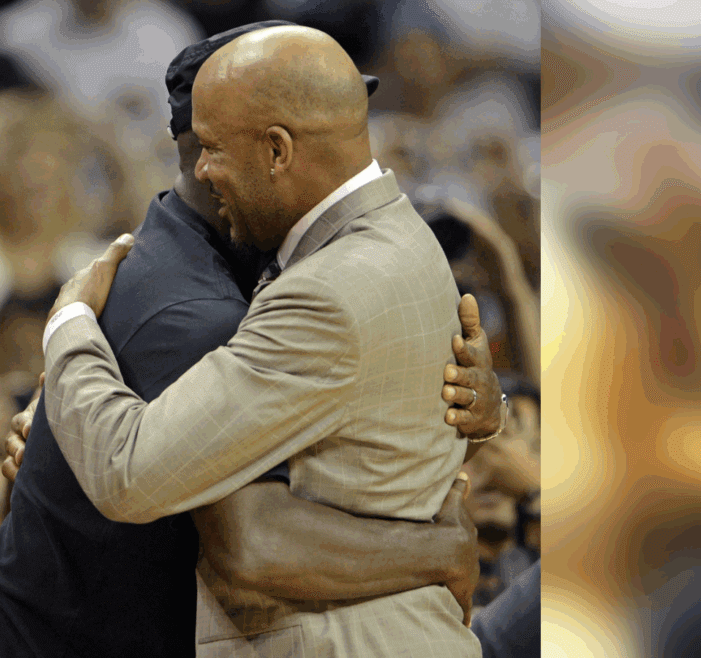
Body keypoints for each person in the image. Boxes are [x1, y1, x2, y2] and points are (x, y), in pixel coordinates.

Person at [41, 25, 500, 657]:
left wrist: (68, 325)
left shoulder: (322, 292)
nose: (201, 170)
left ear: (278, 151)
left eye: (213, 149)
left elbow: (132, 473)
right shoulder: (406, 236)